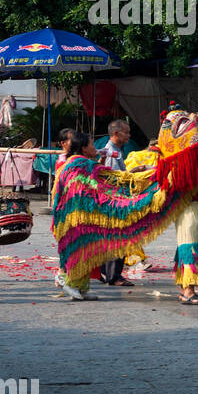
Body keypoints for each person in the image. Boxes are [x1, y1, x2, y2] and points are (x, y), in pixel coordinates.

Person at [57, 132, 101, 301]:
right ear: (83, 148)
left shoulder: (79, 162)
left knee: (87, 251)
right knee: (79, 250)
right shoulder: (78, 164)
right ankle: (70, 283)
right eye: (92, 144)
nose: (94, 147)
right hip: (76, 215)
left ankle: (81, 288)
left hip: (80, 214)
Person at [95, 120, 135, 287]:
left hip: (116, 200)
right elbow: (113, 178)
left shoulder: (116, 151)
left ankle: (108, 271)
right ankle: (113, 275)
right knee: (117, 237)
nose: (129, 135)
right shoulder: (111, 152)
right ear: (116, 134)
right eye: (126, 132)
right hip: (115, 201)